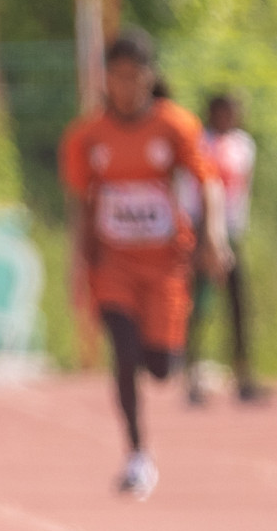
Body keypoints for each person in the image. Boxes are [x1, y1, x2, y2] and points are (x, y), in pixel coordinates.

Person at [60, 32, 231, 500]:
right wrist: (78, 260)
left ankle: (175, 363)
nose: (126, 87)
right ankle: (137, 454)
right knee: (124, 351)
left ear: (150, 77)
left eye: (135, 77)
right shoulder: (88, 136)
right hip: (113, 264)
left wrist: (213, 234)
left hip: (165, 266)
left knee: (159, 366)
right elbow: (80, 201)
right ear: (105, 79)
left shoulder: (174, 126)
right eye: (117, 77)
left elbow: (208, 181)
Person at [182, 93, 267, 405]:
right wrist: (200, 233)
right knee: (199, 304)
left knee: (238, 305)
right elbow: (194, 187)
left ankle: (244, 373)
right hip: (201, 232)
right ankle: (191, 374)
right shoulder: (199, 142)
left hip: (231, 234)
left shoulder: (243, 145)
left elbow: (241, 190)